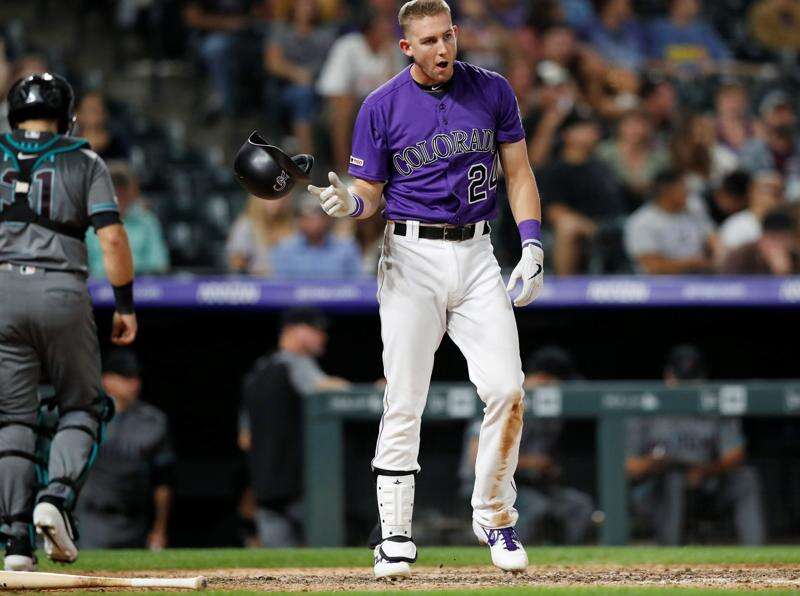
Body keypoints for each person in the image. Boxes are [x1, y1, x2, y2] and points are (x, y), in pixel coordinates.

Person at [308, 0, 545, 577]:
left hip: (477, 251)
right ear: (406, 47)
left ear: (456, 34)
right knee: (407, 395)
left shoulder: (492, 91)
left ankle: (494, 514)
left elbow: (518, 173)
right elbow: (370, 190)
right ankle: (393, 534)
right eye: (428, 41)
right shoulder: (380, 104)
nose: (442, 49)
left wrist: (533, 244)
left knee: (508, 388)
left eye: (447, 37)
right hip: (410, 255)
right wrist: (349, 205)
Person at [0, 73, 137, 570]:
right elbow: (113, 239)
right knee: (83, 406)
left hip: (1, 292)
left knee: (12, 420)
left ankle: (14, 542)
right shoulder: (83, 158)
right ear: (64, 115)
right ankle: (54, 499)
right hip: (60, 289)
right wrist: (124, 304)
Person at [626, 345, 766, 545]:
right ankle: (669, 553)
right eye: (681, 380)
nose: (687, 387)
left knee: (746, 478)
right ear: (668, 376)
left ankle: (756, 552)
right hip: (656, 489)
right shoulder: (646, 408)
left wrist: (705, 471)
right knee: (673, 478)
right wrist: (655, 463)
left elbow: (735, 454)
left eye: (692, 380)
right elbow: (628, 467)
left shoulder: (713, 407)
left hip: (705, 484)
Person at [460, 347, 594, 545]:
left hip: (530, 485)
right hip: (488, 486)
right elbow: (476, 458)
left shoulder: (549, 416)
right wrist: (530, 463)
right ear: (543, 379)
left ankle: (561, 563)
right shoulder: (504, 399)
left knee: (578, 505)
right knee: (535, 507)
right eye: (559, 383)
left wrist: (547, 469)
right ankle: (501, 555)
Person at [238, 307, 349, 547]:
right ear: (292, 331)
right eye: (315, 330)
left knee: (281, 572)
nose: (323, 336)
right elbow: (329, 391)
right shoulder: (295, 364)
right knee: (323, 567)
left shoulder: (258, 370)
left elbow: (245, 439)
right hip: (302, 489)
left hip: (265, 487)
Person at [76, 350, 175, 550]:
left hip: (134, 522)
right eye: (126, 377)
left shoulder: (153, 421)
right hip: (91, 520)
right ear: (107, 380)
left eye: (136, 377)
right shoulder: (85, 417)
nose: (134, 383)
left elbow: (163, 480)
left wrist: (159, 529)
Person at [537, 110, 626, 275]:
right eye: (583, 129)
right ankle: (565, 290)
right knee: (567, 227)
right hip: (579, 228)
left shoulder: (602, 166)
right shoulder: (555, 170)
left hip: (611, 225)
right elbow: (554, 212)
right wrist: (588, 226)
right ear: (567, 135)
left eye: (591, 129)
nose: (590, 133)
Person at [316, 11, 406, 171]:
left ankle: (396, 172)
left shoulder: (394, 48)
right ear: (369, 30)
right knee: (342, 111)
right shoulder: (347, 46)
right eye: (383, 26)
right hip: (348, 102)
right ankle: (344, 171)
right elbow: (334, 91)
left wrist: (390, 57)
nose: (389, 29)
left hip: (380, 103)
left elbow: (399, 90)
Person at [264, 0, 337, 155]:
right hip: (288, 86)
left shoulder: (326, 32)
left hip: (322, 85)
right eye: (302, 4)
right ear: (293, 6)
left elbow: (335, 61)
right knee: (303, 95)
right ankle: (306, 158)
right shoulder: (281, 29)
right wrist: (296, 73)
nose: (307, 8)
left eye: (311, 4)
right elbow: (273, 62)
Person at [85, 161, 170, 278]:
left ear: (132, 192)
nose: (117, 194)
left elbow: (159, 264)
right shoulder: (87, 224)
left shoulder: (147, 221)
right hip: (98, 288)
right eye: (112, 187)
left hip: (140, 287)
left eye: (122, 188)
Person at [625, 169, 718, 274]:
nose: (688, 191)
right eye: (682, 187)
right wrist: (692, 263)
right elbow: (653, 267)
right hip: (661, 284)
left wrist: (718, 257)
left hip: (702, 277)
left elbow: (714, 240)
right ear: (667, 190)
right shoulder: (641, 222)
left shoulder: (693, 208)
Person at [269, 193, 362, 279]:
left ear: (328, 218)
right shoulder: (285, 250)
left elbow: (357, 286)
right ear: (299, 220)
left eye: (318, 215)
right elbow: (280, 288)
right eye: (307, 216)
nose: (314, 222)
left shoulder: (346, 249)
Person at [740, 90, 800, 201]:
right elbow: (746, 184)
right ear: (765, 118)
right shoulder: (752, 150)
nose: (782, 118)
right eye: (777, 113)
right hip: (764, 204)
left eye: (786, 112)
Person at [646, 0, 732, 73]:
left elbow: (725, 59)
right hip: (666, 81)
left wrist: (712, 65)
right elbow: (646, 60)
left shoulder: (704, 29)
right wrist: (663, 66)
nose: (692, 5)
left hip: (702, 82)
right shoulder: (657, 28)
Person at [226, 195, 295, 276]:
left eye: (281, 199)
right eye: (272, 198)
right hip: (256, 282)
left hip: (288, 282)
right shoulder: (246, 226)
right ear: (257, 199)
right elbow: (236, 265)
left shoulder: (292, 225)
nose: (278, 203)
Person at [718, 170, 784, 252]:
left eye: (779, 192)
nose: (773, 197)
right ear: (752, 192)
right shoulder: (736, 225)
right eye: (768, 190)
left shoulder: (786, 224)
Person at [720, 208, 800, 274]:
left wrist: (784, 273)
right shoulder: (741, 256)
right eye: (773, 239)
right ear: (761, 240)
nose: (778, 245)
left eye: (783, 239)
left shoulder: (796, 258)